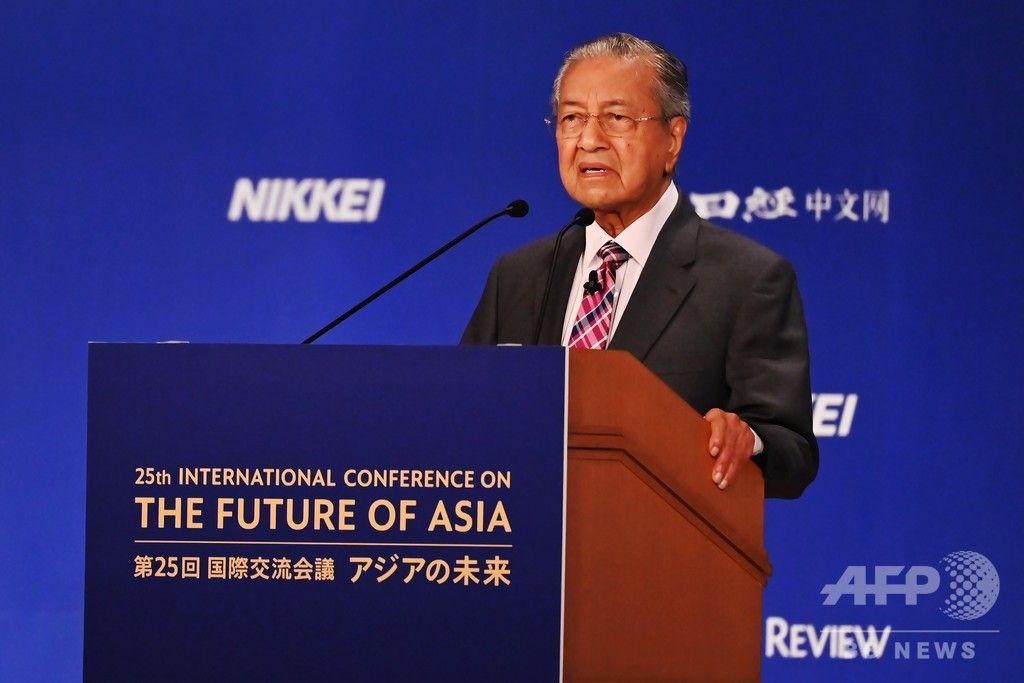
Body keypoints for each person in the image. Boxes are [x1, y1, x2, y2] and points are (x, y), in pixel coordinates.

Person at [462, 33, 817, 499]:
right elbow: (463, 417)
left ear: (673, 139)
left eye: (616, 118)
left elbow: (792, 452)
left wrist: (749, 439)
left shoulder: (747, 280)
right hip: (526, 533)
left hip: (656, 536)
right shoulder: (518, 275)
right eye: (572, 118)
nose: (589, 140)